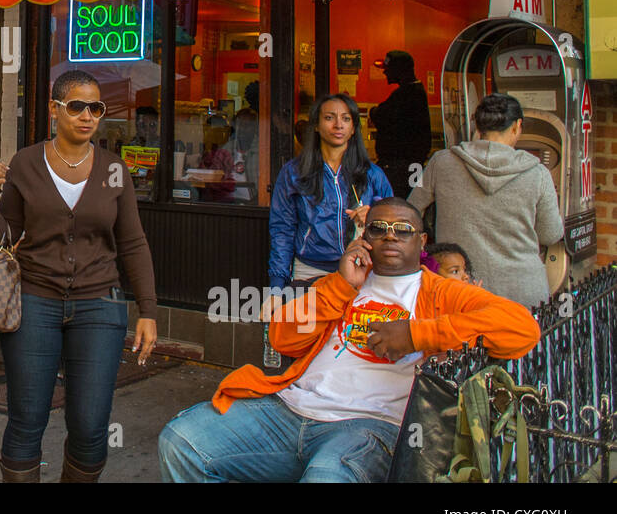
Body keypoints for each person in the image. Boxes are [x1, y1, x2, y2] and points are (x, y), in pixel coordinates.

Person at [158, 198, 541, 482]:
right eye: (378, 228)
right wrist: (341, 285)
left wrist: (415, 334)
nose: (390, 236)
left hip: (370, 424)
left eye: (403, 229)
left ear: (421, 240)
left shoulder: (440, 292)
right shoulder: (343, 282)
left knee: (326, 477)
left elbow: (522, 329)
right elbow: (282, 337)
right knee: (181, 441)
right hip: (290, 409)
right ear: (364, 236)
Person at [0, 69, 158, 483]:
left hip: (100, 304)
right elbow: (10, 238)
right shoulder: (25, 162)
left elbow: (133, 243)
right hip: (34, 299)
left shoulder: (114, 169)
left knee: (92, 422)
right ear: (55, 109)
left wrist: (148, 309)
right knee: (27, 415)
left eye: (96, 108)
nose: (87, 115)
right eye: (77, 106)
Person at [409, 93, 563, 306]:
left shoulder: (441, 163)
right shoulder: (538, 173)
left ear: (478, 126)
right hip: (522, 291)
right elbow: (551, 234)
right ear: (517, 126)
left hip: (459, 289)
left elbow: (410, 212)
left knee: (460, 339)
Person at [268, 92, 393, 293]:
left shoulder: (372, 174)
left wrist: (374, 216)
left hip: (361, 268)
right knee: (308, 324)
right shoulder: (294, 173)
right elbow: (282, 229)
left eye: (346, 118)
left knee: (355, 325)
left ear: (353, 128)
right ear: (316, 126)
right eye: (329, 118)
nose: (338, 125)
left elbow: (393, 224)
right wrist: (276, 284)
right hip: (310, 270)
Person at [370, 50, 432, 195]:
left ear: (399, 70)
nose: (385, 73)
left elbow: (381, 116)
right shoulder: (414, 92)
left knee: (398, 202)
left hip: (399, 168)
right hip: (412, 166)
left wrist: (374, 111)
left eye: (387, 69)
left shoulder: (406, 95)